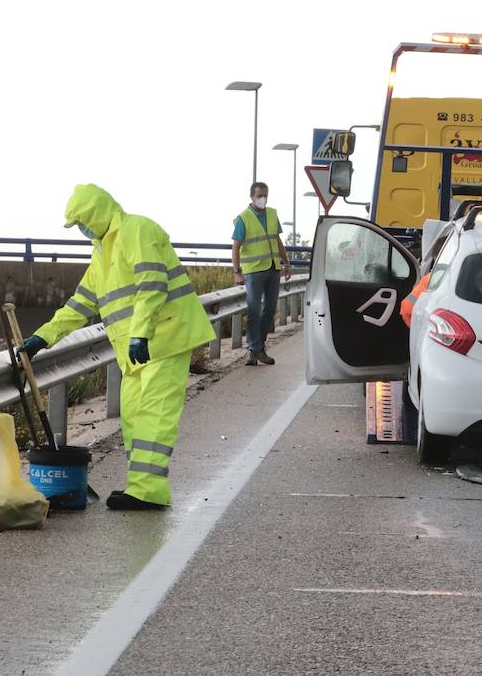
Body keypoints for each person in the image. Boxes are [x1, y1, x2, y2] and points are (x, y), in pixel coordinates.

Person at [19, 184, 215, 510]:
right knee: (135, 416)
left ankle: (148, 492)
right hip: (136, 352)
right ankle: (139, 486)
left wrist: (140, 334)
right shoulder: (101, 251)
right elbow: (80, 304)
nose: (81, 230)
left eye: (81, 222)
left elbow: (152, 286)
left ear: (96, 213)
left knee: (155, 415)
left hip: (164, 339)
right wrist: (43, 337)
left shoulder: (136, 230)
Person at [232, 182, 291, 365]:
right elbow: (236, 246)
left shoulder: (273, 214)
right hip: (253, 272)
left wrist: (286, 262)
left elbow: (278, 240)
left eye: (265, 195)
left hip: (273, 268)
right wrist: (236, 272)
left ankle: (259, 347)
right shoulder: (244, 218)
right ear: (252, 197)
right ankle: (254, 350)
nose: (262, 198)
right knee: (254, 311)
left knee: (270, 311)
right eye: (259, 195)